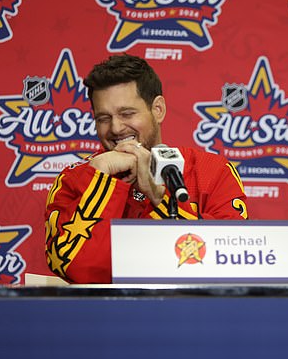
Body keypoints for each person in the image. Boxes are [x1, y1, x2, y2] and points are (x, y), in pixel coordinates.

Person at [45, 54, 248, 283]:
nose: (116, 128)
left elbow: (231, 260)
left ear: (158, 109)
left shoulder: (212, 170)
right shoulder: (74, 177)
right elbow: (74, 267)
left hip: (189, 314)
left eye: (127, 114)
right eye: (103, 118)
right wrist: (101, 178)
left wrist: (159, 197)